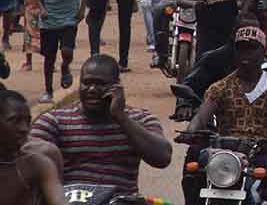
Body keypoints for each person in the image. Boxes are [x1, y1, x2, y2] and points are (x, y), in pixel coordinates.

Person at [178, 25, 267, 205]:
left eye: (251, 49)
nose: (246, 54)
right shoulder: (220, 87)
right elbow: (201, 117)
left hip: (263, 151)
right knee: (193, 163)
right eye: (241, 49)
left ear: (264, 53)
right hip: (224, 151)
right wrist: (190, 132)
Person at [31, 54, 172, 193]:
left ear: (117, 86)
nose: (92, 89)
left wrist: (121, 117)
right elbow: (26, 160)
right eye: (86, 83)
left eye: (101, 84)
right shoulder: (54, 121)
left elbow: (162, 158)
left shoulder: (140, 119)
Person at [28, 0, 85, 102]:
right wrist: (42, 9)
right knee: (49, 57)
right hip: (49, 20)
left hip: (69, 18)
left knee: (67, 51)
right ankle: (48, 91)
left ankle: (65, 67)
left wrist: (81, 9)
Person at [0, 91, 64, 205]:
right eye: (15, 121)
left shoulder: (39, 164)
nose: (24, 128)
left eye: (28, 121)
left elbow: (59, 200)